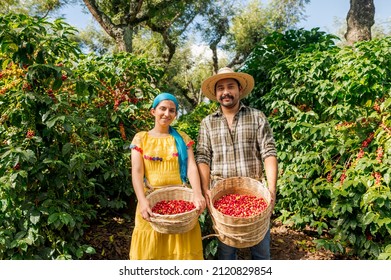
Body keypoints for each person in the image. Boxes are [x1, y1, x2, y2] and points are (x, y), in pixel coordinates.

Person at [196, 67, 278, 260]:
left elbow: (269, 152)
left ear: (240, 89)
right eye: (221, 88)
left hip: (255, 192)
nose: (226, 92)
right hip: (220, 195)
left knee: (261, 252)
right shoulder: (207, 123)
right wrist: (206, 188)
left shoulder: (256, 117)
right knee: (226, 253)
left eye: (230, 86)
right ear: (216, 94)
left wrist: (272, 188)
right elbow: (203, 157)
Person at [129, 92, 206, 260]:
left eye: (172, 110)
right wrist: (142, 201)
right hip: (151, 201)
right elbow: (136, 171)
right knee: (151, 252)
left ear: (175, 114)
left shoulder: (182, 138)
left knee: (181, 251)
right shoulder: (141, 138)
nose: (167, 113)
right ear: (153, 111)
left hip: (180, 201)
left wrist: (198, 193)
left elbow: (192, 167)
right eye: (162, 109)